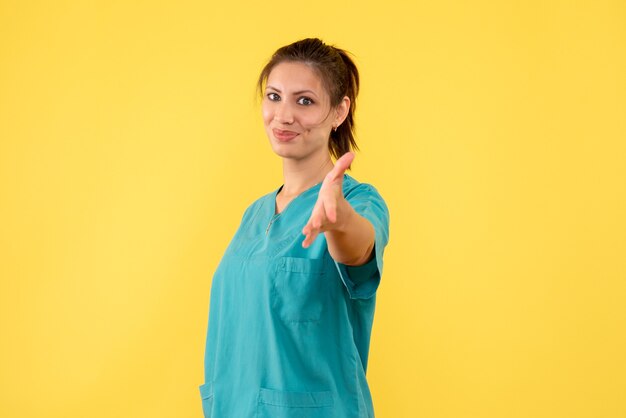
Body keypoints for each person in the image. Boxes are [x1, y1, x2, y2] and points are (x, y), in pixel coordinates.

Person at [199, 38, 390, 418]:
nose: (283, 115)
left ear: (339, 111)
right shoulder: (254, 214)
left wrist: (339, 221)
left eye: (304, 101)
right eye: (273, 96)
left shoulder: (359, 201)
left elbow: (359, 249)